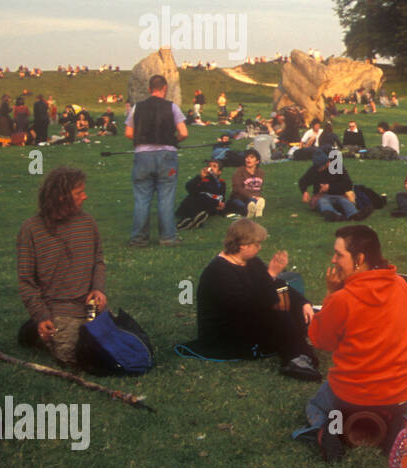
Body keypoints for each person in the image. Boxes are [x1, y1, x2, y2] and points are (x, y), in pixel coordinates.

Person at [308, 226, 407, 460]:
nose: (333, 259)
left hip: (351, 394)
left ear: (359, 259)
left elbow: (321, 340)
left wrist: (330, 293)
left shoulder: (342, 299)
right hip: (398, 390)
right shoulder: (401, 286)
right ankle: (400, 428)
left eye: (339, 254)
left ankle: (330, 428)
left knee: (317, 404)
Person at [184, 219, 319, 380]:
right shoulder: (218, 271)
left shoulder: (251, 262)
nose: (259, 247)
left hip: (248, 317)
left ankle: (303, 344)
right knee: (279, 313)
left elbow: (278, 285)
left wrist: (303, 303)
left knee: (290, 302)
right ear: (243, 245)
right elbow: (245, 307)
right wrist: (271, 276)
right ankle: (296, 357)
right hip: (227, 331)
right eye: (256, 244)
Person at [16, 167, 108, 365]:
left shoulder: (88, 223)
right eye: (78, 193)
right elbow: (26, 282)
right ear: (60, 196)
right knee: (75, 360)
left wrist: (98, 289)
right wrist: (42, 316)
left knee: (110, 351)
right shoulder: (31, 229)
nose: (85, 196)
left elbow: (98, 261)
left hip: (89, 309)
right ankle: (37, 330)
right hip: (58, 309)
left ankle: (34, 331)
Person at [125, 74, 188, 246]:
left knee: (142, 198)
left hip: (142, 156)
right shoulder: (172, 107)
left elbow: (128, 133)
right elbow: (184, 132)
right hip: (167, 156)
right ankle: (168, 237)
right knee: (166, 197)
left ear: (149, 88)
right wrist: (174, 141)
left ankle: (139, 238)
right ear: (165, 88)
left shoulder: (137, 107)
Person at [297, 149, 359, 221]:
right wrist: (304, 191)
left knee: (345, 202)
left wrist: (330, 187)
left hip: (338, 194)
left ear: (327, 163)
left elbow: (348, 184)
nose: (318, 169)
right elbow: (302, 181)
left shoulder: (338, 167)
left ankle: (354, 215)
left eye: (320, 167)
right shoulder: (314, 169)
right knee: (323, 202)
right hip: (321, 196)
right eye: (317, 167)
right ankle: (334, 215)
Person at [175, 159, 226, 230]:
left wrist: (221, 205)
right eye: (209, 166)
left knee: (206, 200)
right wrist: (200, 177)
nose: (210, 168)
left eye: (214, 166)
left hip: (207, 206)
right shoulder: (202, 180)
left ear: (219, 172)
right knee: (199, 197)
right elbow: (189, 187)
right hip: (194, 205)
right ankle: (186, 222)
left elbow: (220, 197)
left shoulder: (221, 183)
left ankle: (193, 220)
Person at [227, 149, 266, 217]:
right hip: (238, 198)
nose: (248, 159)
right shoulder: (239, 171)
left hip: (252, 198)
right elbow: (237, 188)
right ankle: (252, 210)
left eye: (251, 157)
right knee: (242, 206)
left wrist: (256, 197)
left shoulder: (260, 173)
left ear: (257, 161)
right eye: (247, 157)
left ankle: (255, 208)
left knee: (252, 201)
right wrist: (250, 196)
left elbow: (258, 188)